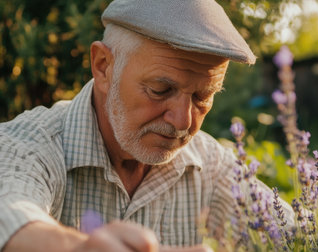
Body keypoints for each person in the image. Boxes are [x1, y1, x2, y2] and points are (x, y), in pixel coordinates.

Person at [0, 0, 292, 251]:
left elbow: (295, 235)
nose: (184, 121)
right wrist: (79, 247)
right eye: (160, 90)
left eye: (203, 96)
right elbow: (10, 212)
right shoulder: (32, 144)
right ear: (103, 66)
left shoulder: (211, 165)